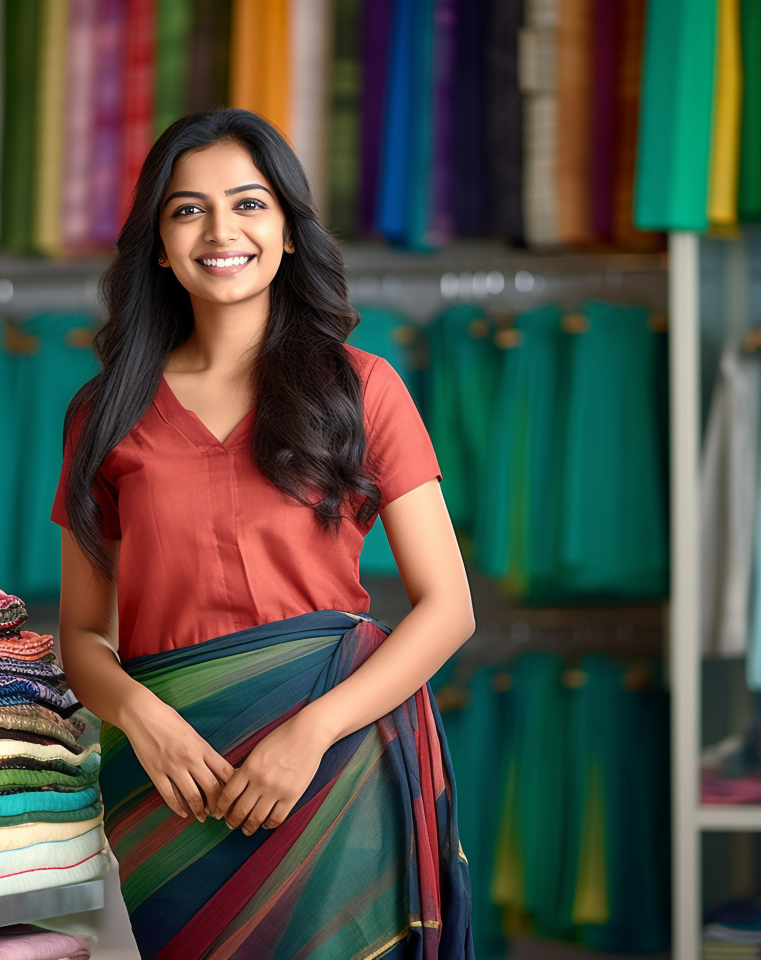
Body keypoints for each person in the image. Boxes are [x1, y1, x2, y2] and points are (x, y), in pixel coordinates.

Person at [50, 107, 476, 960]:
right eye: (187, 209)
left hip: (331, 769)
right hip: (172, 789)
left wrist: (311, 733)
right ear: (160, 248)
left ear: (286, 231)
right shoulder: (104, 414)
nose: (220, 230)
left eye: (249, 204)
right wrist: (141, 715)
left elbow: (449, 608)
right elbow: (82, 635)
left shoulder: (362, 388)